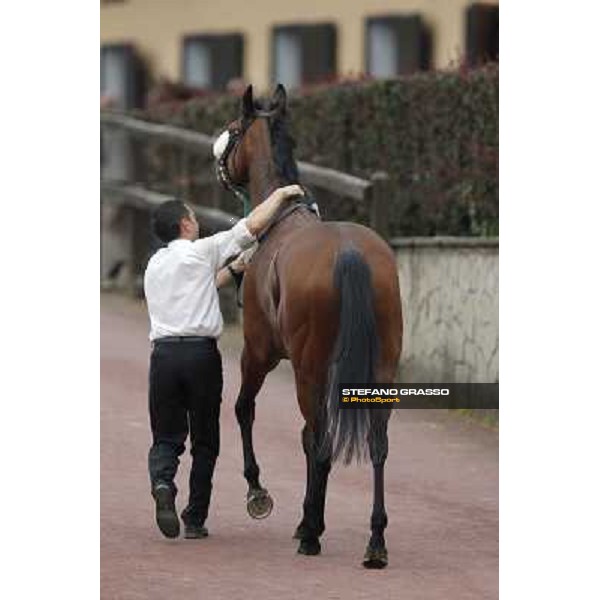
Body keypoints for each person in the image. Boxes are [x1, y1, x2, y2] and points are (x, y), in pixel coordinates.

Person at [144, 184, 304, 539]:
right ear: (185, 224)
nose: (197, 221)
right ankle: (195, 518)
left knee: (166, 435)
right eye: (194, 216)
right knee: (205, 439)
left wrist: (232, 271)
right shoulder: (202, 250)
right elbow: (249, 227)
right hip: (201, 356)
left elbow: (198, 286)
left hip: (164, 357)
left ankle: (162, 483)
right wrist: (280, 195)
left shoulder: (155, 265)